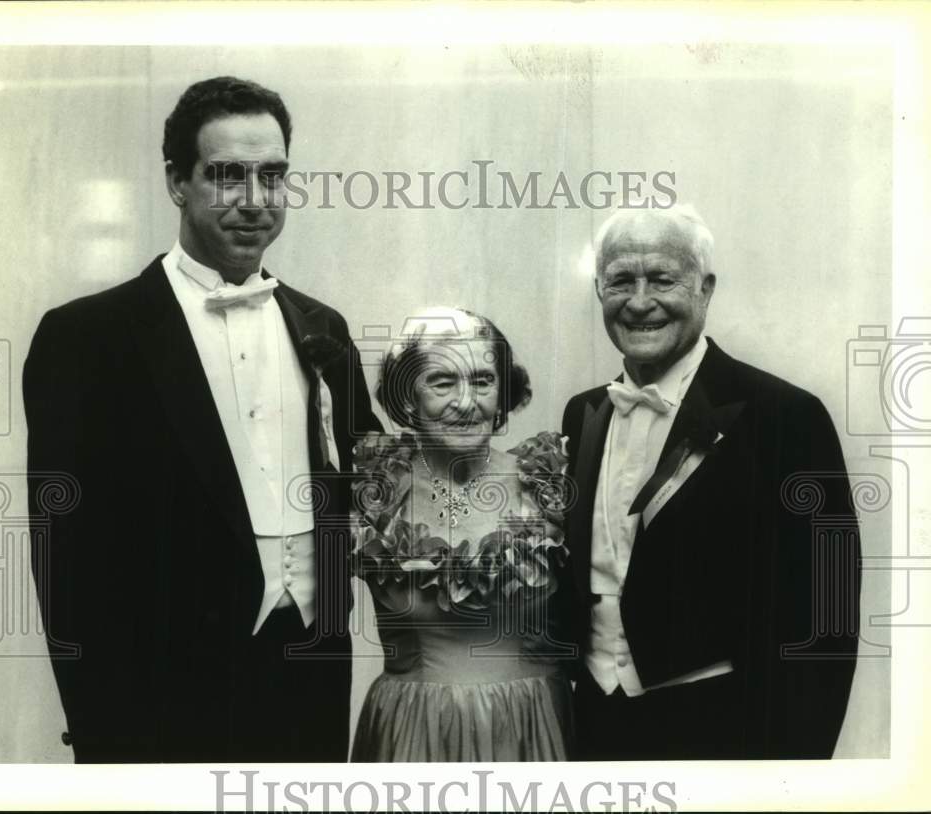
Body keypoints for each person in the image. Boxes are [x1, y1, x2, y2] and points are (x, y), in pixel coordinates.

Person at [23, 76, 379, 762]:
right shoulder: (87, 337)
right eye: (226, 175)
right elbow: (64, 562)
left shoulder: (323, 329)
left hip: (309, 672)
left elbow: (366, 497)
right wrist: (103, 731)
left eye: (272, 176)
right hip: (159, 700)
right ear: (175, 181)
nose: (255, 201)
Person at [563, 205, 860, 760]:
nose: (641, 300)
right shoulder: (581, 414)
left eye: (663, 279)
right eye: (621, 280)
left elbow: (828, 617)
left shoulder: (785, 416)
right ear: (600, 292)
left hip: (724, 727)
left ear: (705, 288)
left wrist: (792, 773)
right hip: (593, 724)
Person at [349, 307, 574, 762]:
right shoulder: (374, 489)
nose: (467, 402)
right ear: (407, 397)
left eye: (483, 381)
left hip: (533, 730)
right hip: (412, 733)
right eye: (443, 382)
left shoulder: (548, 482)